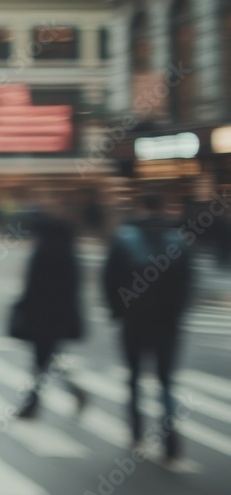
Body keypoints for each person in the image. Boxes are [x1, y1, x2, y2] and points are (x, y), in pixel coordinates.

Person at [104, 193, 192, 461]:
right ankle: (169, 438)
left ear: (140, 207)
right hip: (167, 323)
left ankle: (136, 431)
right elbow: (186, 284)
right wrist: (176, 315)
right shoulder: (178, 240)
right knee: (165, 381)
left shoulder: (124, 239)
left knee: (134, 378)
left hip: (134, 321)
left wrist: (118, 311)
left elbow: (109, 280)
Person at [8, 209, 86, 418]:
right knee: (47, 359)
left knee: (42, 361)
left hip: (41, 317)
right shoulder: (68, 253)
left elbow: (32, 287)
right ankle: (70, 392)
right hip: (58, 318)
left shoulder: (42, 252)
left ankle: (33, 403)